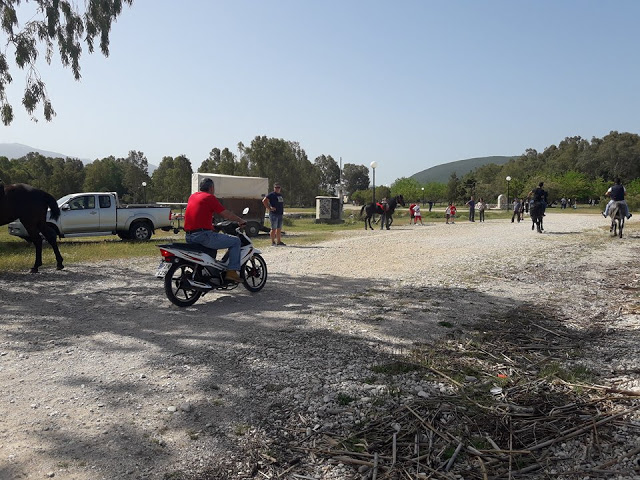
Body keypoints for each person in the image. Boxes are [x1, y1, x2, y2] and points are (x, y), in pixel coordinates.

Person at [184, 178, 246, 283]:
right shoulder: (209, 197)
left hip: (189, 236)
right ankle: (231, 272)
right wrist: (239, 220)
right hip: (202, 236)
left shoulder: (192, 196)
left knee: (212, 248)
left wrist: (211, 225)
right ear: (211, 188)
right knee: (236, 241)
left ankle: (209, 273)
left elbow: (199, 214)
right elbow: (226, 214)